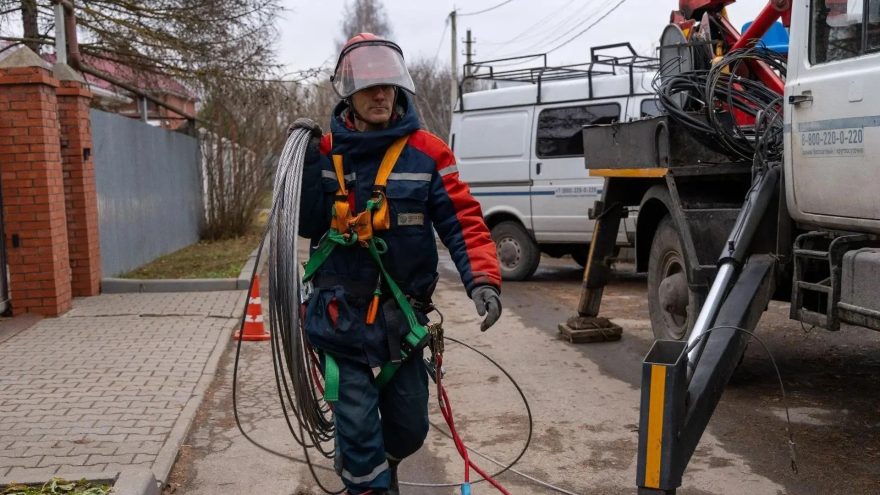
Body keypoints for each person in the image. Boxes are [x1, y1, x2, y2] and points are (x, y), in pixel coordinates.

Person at [291, 33, 502, 495]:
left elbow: (463, 220)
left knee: (409, 427)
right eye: (370, 86)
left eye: (388, 85)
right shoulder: (324, 154)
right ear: (349, 91)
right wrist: (305, 165)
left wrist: (483, 280)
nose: (381, 94)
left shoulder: (428, 153)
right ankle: (369, 486)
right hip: (339, 317)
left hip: (401, 320)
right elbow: (306, 225)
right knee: (359, 430)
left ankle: (375, 469)